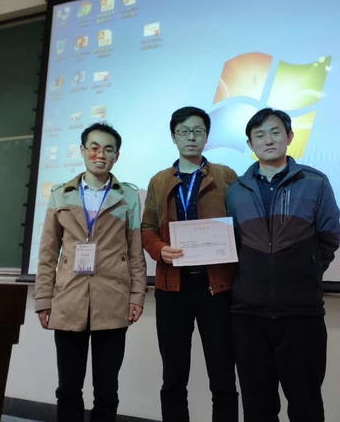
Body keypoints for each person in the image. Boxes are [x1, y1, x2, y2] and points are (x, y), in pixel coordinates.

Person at [226, 108, 340, 422]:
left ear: (289, 137)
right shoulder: (236, 190)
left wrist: (306, 270)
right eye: (259, 135)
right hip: (248, 315)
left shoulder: (314, 182)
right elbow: (233, 244)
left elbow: (328, 237)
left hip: (300, 313)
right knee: (257, 406)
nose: (268, 140)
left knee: (305, 404)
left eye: (275, 132)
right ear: (250, 144)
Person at [34, 123, 147, 422]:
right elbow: (47, 253)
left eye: (108, 149)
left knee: (107, 390)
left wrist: (137, 296)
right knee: (68, 388)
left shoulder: (128, 196)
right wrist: (43, 299)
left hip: (113, 301)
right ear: (83, 151)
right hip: (68, 300)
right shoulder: (61, 195)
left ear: (117, 156)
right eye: (94, 148)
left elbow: (136, 251)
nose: (101, 154)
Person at [141, 106, 239, 422]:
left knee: (223, 375)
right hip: (173, 288)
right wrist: (160, 249)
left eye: (198, 131)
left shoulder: (225, 176)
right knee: (173, 376)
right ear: (174, 137)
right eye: (184, 131)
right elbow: (147, 228)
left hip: (216, 287)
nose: (191, 137)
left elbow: (240, 224)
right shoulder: (159, 181)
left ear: (207, 136)